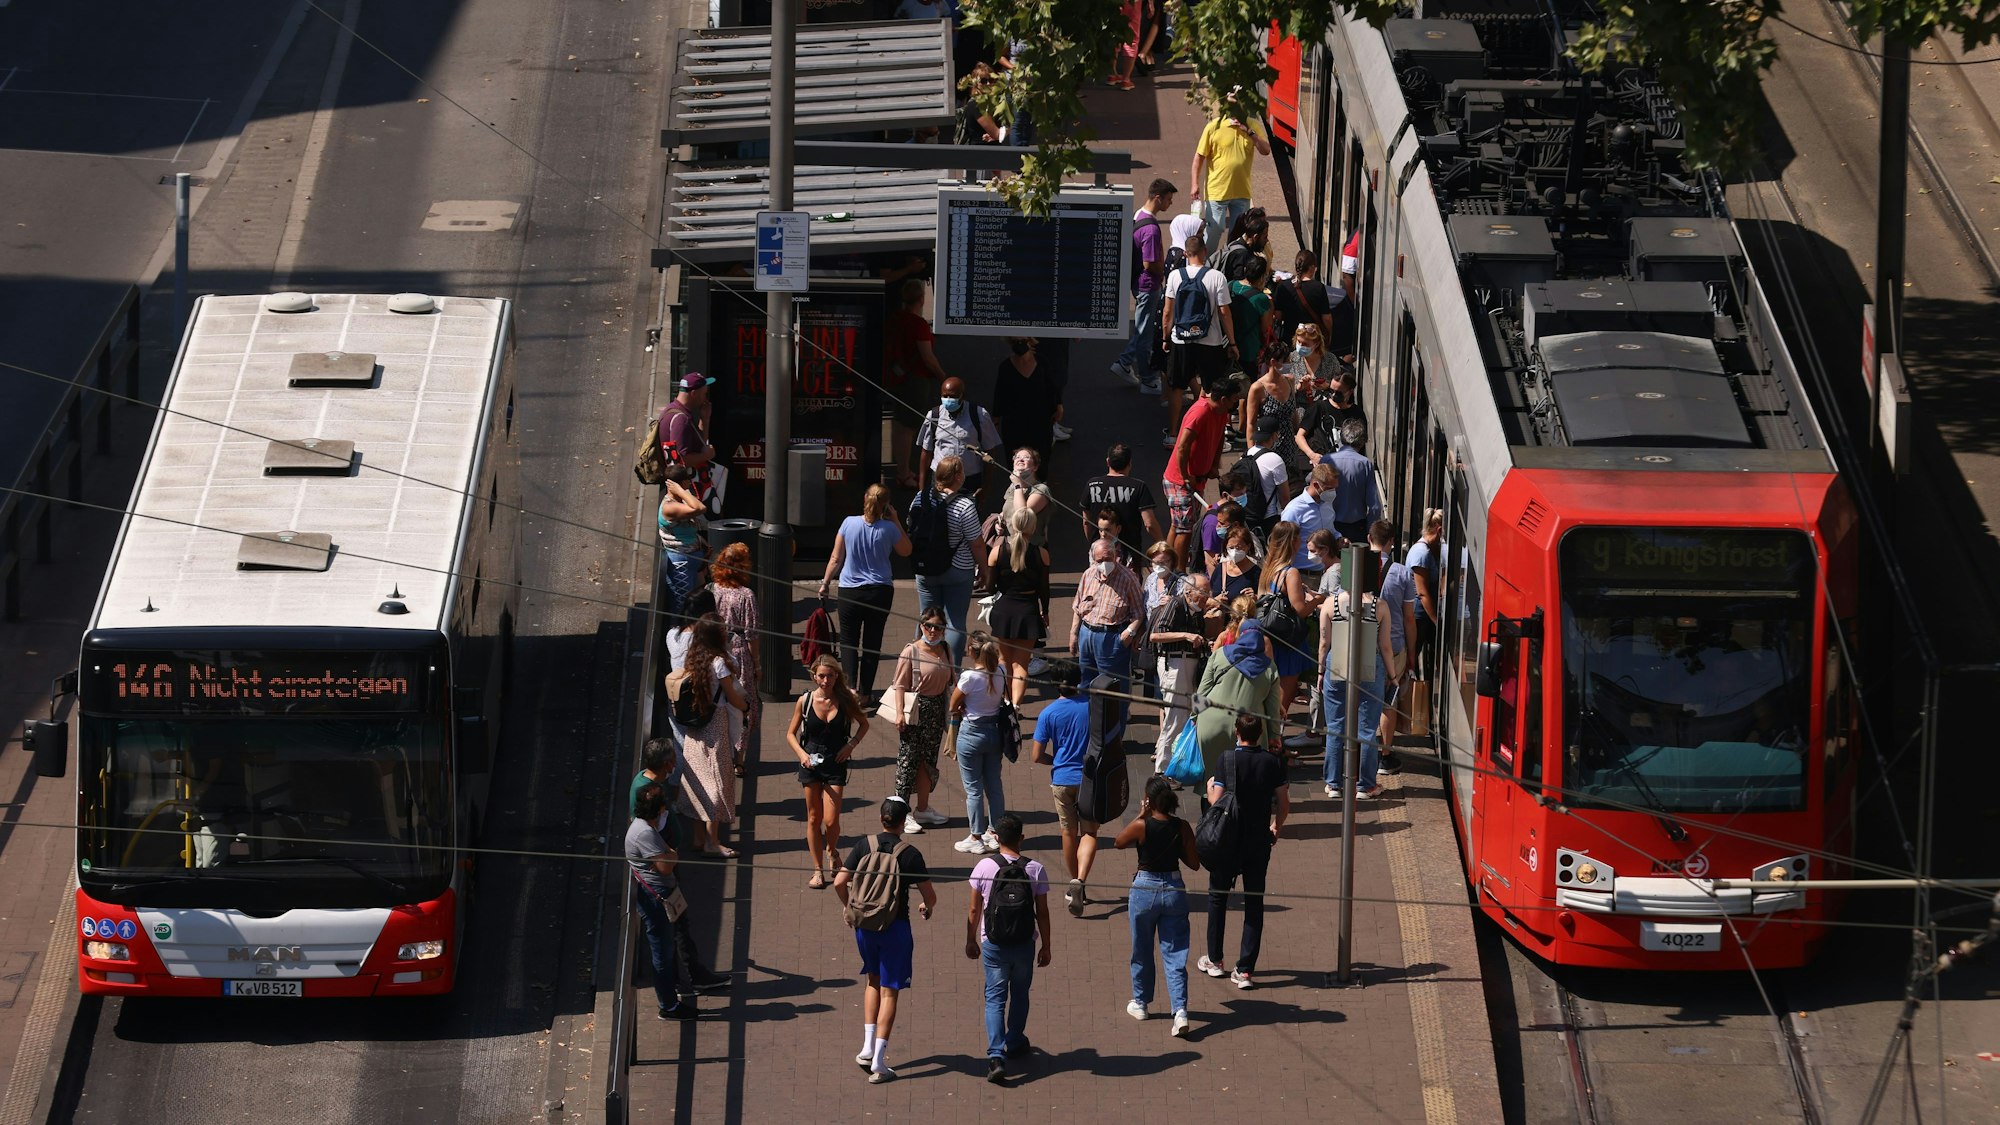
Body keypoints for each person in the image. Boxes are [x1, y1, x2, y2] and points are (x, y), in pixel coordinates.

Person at [836, 797, 937, 1084]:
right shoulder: (910, 854)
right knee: (890, 991)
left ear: (881, 818)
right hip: (895, 927)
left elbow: (840, 882)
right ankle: (879, 1062)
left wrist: (849, 907)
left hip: (864, 927)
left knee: (872, 980)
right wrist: (925, 908)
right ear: (903, 821)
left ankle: (867, 1048)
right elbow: (930, 897)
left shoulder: (862, 845)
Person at [626, 742, 732, 1000]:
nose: (676, 765)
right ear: (666, 765)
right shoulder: (647, 793)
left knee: (676, 925)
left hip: (665, 871)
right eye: (673, 760)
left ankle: (684, 977)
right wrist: (672, 853)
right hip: (662, 879)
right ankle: (686, 981)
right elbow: (661, 860)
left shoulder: (648, 784)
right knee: (675, 927)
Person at [1197, 712, 1289, 989]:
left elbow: (1217, 802)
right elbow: (1283, 803)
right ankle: (1245, 970)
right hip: (1257, 841)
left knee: (1218, 898)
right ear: (1259, 733)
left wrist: (1210, 787)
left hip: (1227, 840)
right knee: (1254, 901)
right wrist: (1276, 826)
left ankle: (1215, 960)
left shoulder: (1226, 760)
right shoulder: (1273, 763)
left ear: (1237, 732)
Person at [966, 813, 1052, 1083]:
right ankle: (1014, 1041)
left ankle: (995, 1056)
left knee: (995, 998)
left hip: (993, 943)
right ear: (1022, 838)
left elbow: (974, 908)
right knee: (1020, 993)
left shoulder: (984, 867)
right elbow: (1043, 912)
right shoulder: (1035, 868)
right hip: (1025, 942)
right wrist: (1046, 946)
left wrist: (970, 939)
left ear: (996, 837)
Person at [1114, 774, 1200, 1037]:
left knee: (1141, 947)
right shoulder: (1182, 826)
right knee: (1174, 954)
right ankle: (1180, 1011)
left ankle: (1140, 1002)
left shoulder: (1142, 826)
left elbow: (1118, 842)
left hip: (1144, 889)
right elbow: (1194, 863)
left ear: (1149, 800)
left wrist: (1141, 814)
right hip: (1173, 888)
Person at [818, 484, 912, 701]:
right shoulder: (889, 529)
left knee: (848, 641)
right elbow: (906, 550)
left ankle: (850, 687)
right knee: (872, 642)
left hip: (850, 591)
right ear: (886, 505)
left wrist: (825, 583)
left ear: (864, 498)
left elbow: (836, 558)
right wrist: (896, 520)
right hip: (880, 591)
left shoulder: (848, 523)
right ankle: (866, 692)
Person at [789, 655, 871, 888]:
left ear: (837, 676)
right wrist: (802, 755)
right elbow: (790, 734)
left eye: (830, 676)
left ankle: (832, 851)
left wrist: (851, 744)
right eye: (821, 676)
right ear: (814, 676)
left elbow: (864, 724)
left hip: (836, 760)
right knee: (814, 818)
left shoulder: (845, 700)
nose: (826, 681)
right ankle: (818, 870)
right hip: (811, 762)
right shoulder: (804, 701)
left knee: (831, 819)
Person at [1025, 659, 1098, 914]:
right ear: (1079, 680)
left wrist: (1055, 761)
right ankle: (1081, 880)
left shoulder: (1048, 713)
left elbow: (1036, 755)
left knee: (1068, 833)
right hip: (1089, 779)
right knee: (1089, 833)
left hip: (1062, 779)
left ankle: (1074, 882)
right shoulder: (1092, 708)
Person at [678, 615, 749, 857]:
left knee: (696, 780)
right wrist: (746, 708)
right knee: (717, 782)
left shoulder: (693, 659)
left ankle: (699, 839)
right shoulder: (719, 662)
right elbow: (731, 695)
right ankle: (713, 841)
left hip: (695, 725)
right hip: (715, 725)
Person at [627, 782, 699, 1021]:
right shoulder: (645, 833)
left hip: (657, 893)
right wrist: (673, 854)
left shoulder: (643, 828)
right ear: (658, 811)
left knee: (665, 949)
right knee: (662, 951)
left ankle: (670, 999)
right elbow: (666, 866)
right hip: (655, 898)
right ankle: (668, 1005)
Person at [1160, 233, 1238, 447]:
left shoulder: (1176, 276)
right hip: (1210, 341)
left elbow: (1168, 311)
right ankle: (1204, 433)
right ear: (1205, 252)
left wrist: (1166, 337)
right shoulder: (1216, 277)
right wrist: (1232, 342)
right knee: (1210, 388)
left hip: (1180, 339)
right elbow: (1224, 312)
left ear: (1186, 253)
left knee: (1177, 386)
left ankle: (1173, 434)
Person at [911, 455, 985, 666]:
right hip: (958, 569)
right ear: (959, 476)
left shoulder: (921, 497)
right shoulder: (965, 504)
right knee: (954, 622)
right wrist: (985, 570)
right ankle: (951, 671)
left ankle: (921, 665)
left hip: (925, 569)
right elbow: (977, 543)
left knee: (926, 617)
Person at [1192, 612, 1283, 780]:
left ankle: (1211, 804)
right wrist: (1274, 737)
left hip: (1211, 725)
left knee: (1212, 779)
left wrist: (1194, 716)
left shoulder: (1219, 655)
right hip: (1250, 730)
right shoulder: (1270, 668)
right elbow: (1273, 709)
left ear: (1240, 635)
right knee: (1246, 780)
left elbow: (1202, 691)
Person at [889, 607, 956, 831]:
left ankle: (923, 809)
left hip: (936, 709)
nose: (933, 631)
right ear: (921, 626)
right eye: (928, 626)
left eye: (938, 627)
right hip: (916, 709)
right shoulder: (911, 651)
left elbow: (950, 682)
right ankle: (902, 811)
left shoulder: (946, 649)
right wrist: (900, 713)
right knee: (908, 761)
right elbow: (899, 684)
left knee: (928, 761)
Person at [1161, 377, 1240, 569]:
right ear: (1223, 399)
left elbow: (1220, 437)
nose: (1235, 403)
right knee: (1185, 530)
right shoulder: (1200, 412)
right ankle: (1179, 573)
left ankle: (1165, 564)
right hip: (1181, 481)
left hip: (1197, 480)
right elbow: (1182, 447)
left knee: (1178, 525)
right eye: (1233, 399)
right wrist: (1185, 476)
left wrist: (1214, 465)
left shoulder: (1221, 412)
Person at [1070, 536, 1147, 730]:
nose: (1105, 564)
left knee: (1113, 690)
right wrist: (1074, 634)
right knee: (1085, 684)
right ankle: (1087, 730)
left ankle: (1114, 737)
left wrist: (1127, 635)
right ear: (1092, 560)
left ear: (1116, 556)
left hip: (1111, 638)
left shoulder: (1128, 578)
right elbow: (1078, 607)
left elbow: (1139, 612)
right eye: (1100, 561)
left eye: (1109, 559)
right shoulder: (1088, 574)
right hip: (1087, 634)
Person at [1113, 179, 1178, 395]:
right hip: (1148, 285)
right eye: (1168, 199)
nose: (1170, 204)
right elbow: (1150, 263)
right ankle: (1148, 379)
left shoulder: (1138, 216)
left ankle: (1124, 363)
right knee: (1145, 332)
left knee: (1144, 329)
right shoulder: (1151, 229)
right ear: (1158, 198)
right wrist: (1166, 274)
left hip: (1137, 282)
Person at [951, 633, 1011, 855]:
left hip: (971, 734)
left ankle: (976, 836)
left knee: (973, 788)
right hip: (994, 733)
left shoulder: (969, 677)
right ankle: (995, 833)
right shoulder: (1001, 671)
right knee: (994, 785)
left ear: (972, 650)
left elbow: (953, 704)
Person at [986, 506, 1050, 708]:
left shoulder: (997, 552)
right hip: (1028, 612)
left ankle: (1004, 700)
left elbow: (988, 587)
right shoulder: (1041, 554)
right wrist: (1045, 611)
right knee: (1022, 663)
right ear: (1033, 527)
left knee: (1004, 661)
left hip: (1004, 610)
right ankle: (1015, 705)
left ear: (1012, 525)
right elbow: (1044, 589)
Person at [886, 279, 948, 487]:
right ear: (921, 299)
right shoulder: (918, 324)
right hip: (915, 381)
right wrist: (943, 378)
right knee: (908, 428)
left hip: (897, 377)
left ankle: (902, 469)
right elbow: (927, 357)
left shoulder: (895, 318)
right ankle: (903, 473)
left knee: (899, 424)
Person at [1190, 98, 1270, 255]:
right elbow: (1199, 157)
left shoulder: (1252, 126)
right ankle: (1205, 261)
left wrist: (1249, 132)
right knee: (1215, 228)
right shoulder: (1214, 127)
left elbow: (1266, 150)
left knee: (1237, 233)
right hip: (1217, 190)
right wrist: (1195, 183)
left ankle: (1230, 262)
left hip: (1242, 192)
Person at [1150, 572, 1212, 774]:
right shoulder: (1176, 605)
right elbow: (1156, 635)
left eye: (1207, 592)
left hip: (1192, 665)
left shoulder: (1197, 612)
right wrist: (1186, 635)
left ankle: (1182, 761)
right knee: (1175, 716)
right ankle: (1163, 769)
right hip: (1175, 664)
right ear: (1188, 592)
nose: (1206, 597)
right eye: (1203, 592)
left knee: (1195, 711)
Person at [708, 542, 760, 777]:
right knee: (743, 702)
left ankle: (720, 753)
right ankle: (739, 759)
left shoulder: (711, 590)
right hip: (738, 652)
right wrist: (757, 663)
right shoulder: (746, 596)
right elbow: (751, 633)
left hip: (715, 649)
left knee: (720, 700)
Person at [1372, 518, 1419, 781]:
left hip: (1360, 644)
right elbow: (1410, 618)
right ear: (1391, 542)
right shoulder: (1402, 573)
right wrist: (1412, 654)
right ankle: (1385, 756)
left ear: (1369, 539)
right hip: (1396, 645)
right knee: (1388, 701)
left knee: (1361, 698)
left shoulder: (1352, 564)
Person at [1260, 521, 1315, 730]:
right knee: (1282, 700)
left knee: (1269, 695)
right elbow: (1300, 610)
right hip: (1288, 641)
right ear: (1293, 541)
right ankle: (1275, 745)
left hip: (1270, 637)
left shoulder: (1268, 567)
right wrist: (1318, 600)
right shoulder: (1291, 573)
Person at [917, 378, 1003, 505]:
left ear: (963, 396)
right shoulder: (934, 416)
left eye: (953, 396)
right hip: (940, 481)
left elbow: (990, 452)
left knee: (968, 521)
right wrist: (922, 489)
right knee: (939, 520)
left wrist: (985, 488)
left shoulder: (979, 415)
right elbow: (926, 452)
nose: (948, 400)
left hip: (969, 482)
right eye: (944, 396)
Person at [1080, 443, 1164, 564]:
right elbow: (1149, 524)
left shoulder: (1092, 484)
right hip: (1129, 555)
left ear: (1108, 462)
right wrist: (1162, 544)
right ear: (1130, 463)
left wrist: (1094, 542)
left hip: (1098, 553)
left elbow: (1086, 521)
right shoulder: (1138, 487)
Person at [991, 339, 1062, 469]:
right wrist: (995, 420)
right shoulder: (1005, 366)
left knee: (1041, 454)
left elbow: (1052, 387)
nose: (1019, 345)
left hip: (1040, 421)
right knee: (1016, 456)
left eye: (1022, 341)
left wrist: (1058, 405)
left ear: (1030, 342)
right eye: (1015, 342)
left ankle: (1039, 483)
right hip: (1014, 424)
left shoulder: (1042, 363)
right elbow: (999, 394)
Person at [656, 463, 709, 618]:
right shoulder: (669, 506)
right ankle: (678, 639)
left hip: (693, 560)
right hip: (681, 563)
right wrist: (681, 490)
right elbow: (701, 508)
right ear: (683, 482)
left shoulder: (681, 502)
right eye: (688, 480)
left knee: (698, 605)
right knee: (682, 607)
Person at [1322, 420, 1383, 544]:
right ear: (1362, 442)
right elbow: (1375, 506)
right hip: (1356, 529)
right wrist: (1369, 531)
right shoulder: (1365, 464)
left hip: (1328, 525)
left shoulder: (1327, 459)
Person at [1296, 361, 1366, 462]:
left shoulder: (1357, 413)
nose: (1333, 395)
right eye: (1331, 390)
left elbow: (1360, 445)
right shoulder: (1319, 407)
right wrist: (1312, 455)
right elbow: (1299, 436)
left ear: (1350, 392)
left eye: (1338, 393)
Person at [1279, 462, 1340, 573]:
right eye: (1329, 488)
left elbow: (1330, 531)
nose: (1333, 492)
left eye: (1335, 488)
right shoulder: (1294, 510)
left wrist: (1339, 538)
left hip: (1327, 571)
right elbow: (1283, 546)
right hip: (1304, 574)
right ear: (1316, 485)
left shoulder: (1327, 503)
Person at [1407, 507, 1445, 682]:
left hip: (1423, 615)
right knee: (1412, 656)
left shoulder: (1430, 550)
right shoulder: (1421, 553)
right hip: (1419, 616)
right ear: (1439, 530)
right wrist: (1437, 621)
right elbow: (1422, 593)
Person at [1227, 255, 1276, 384]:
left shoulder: (1231, 286)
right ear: (1262, 277)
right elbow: (1265, 328)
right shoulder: (1261, 298)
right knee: (1246, 387)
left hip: (1227, 344)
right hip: (1249, 349)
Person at [1270, 249, 1334, 346]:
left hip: (1290, 339)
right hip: (1312, 340)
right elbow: (1327, 318)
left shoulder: (1283, 286)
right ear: (1312, 268)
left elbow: (1278, 315)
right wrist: (1329, 334)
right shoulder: (1318, 287)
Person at [657, 372, 715, 477]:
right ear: (693, 394)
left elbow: (700, 446)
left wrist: (704, 420)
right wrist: (706, 456)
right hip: (680, 486)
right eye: (704, 394)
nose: (705, 399)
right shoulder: (680, 419)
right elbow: (680, 461)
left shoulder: (673, 410)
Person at [1241, 413, 1293, 526]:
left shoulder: (1245, 455)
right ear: (1274, 435)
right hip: (1269, 517)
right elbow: (1285, 498)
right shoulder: (1275, 460)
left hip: (1247, 516)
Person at [998, 447, 1055, 549]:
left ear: (1035, 467)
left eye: (1026, 457)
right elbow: (1007, 512)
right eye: (1017, 457)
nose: (1020, 459)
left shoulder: (1041, 489)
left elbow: (1022, 515)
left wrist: (1017, 485)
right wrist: (999, 524)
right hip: (1008, 545)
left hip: (1031, 548)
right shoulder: (1012, 487)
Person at [1210, 523, 1260, 604]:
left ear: (1248, 546)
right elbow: (1210, 592)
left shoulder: (1256, 573)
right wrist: (1215, 600)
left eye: (1239, 548)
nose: (1234, 551)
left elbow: (1263, 597)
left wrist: (1255, 598)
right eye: (1231, 548)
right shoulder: (1220, 568)